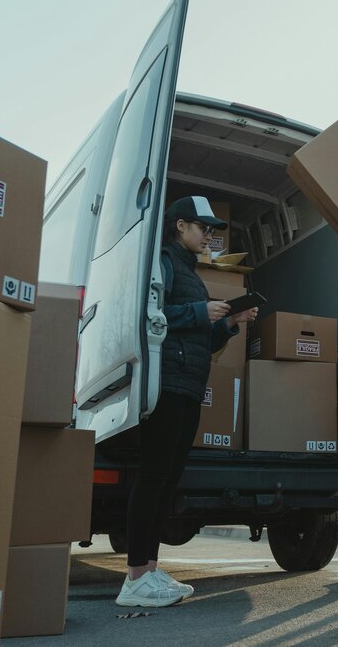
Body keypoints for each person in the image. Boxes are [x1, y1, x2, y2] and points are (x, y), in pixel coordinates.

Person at [116, 195, 258, 607]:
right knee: (154, 475)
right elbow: (148, 314)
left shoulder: (193, 274)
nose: (209, 236)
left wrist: (228, 322)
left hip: (190, 384)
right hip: (167, 383)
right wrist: (201, 310)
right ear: (180, 226)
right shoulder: (162, 262)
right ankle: (134, 578)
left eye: (211, 229)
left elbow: (201, 337)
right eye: (202, 228)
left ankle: (151, 571)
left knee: (168, 477)